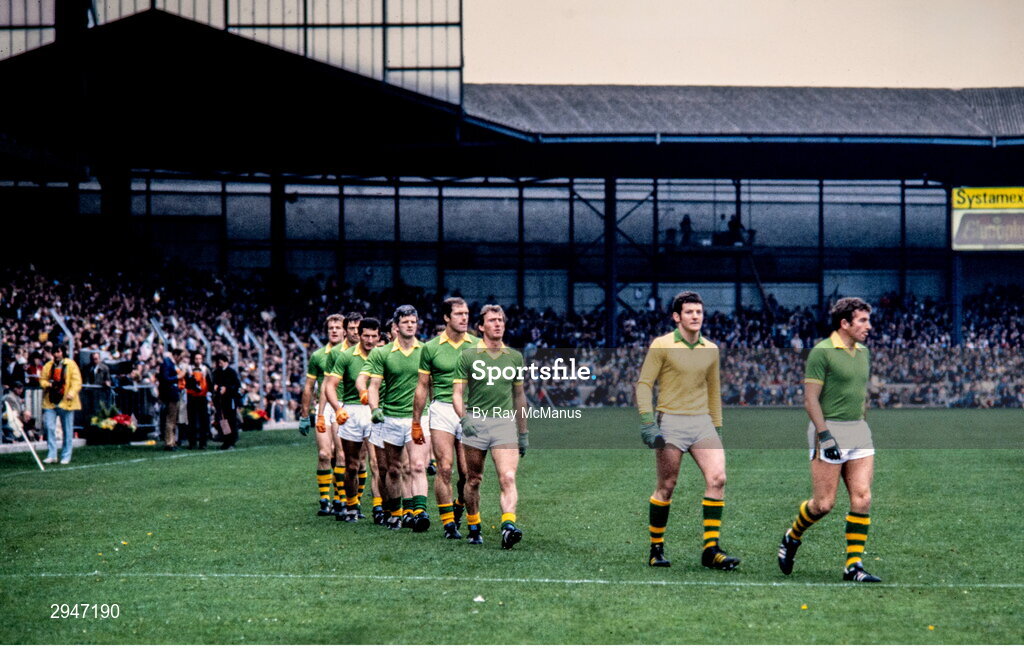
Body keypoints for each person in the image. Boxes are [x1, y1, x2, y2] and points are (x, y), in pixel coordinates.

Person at [777, 297, 881, 583]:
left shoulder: (863, 352)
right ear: (844, 323)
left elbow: (860, 393)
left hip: (858, 431)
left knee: (862, 498)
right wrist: (825, 436)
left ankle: (853, 566)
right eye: (862, 321)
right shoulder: (821, 352)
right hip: (828, 431)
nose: (868, 326)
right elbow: (810, 399)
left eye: (867, 320)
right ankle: (791, 537)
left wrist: (862, 422)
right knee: (823, 504)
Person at [635, 291, 740, 570]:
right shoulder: (662, 345)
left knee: (718, 478)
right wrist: (648, 422)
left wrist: (716, 427)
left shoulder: (711, 349)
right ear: (676, 317)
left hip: (702, 422)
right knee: (666, 487)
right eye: (690, 312)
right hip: (671, 422)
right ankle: (656, 549)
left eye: (699, 312)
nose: (696, 316)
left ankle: (711, 549)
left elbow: (714, 390)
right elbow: (644, 385)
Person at [452, 304, 528, 549]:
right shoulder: (469, 355)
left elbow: (519, 396)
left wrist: (523, 432)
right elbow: (457, 393)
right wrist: (465, 419)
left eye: (501, 320)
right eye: (492, 320)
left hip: (504, 424)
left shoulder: (515, 357)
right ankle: (474, 525)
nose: (498, 324)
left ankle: (508, 526)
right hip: (476, 422)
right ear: (481, 326)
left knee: (507, 476)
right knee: (473, 479)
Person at [361, 305, 430, 531]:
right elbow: (374, 386)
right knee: (393, 470)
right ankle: (396, 512)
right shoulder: (382, 353)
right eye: (405, 322)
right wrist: (374, 408)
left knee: (418, 466)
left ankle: (419, 513)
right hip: (390, 418)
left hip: (417, 418)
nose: (410, 325)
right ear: (396, 326)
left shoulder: (426, 351)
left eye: (413, 321)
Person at [414, 297, 477, 540]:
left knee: (467, 474)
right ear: (446, 317)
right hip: (441, 408)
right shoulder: (430, 348)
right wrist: (416, 421)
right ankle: (449, 525)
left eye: (467, 313)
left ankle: (459, 507)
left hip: (471, 409)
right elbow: (421, 387)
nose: (465, 317)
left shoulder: (479, 345)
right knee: (445, 468)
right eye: (459, 313)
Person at [324, 318, 380, 522]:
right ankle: (351, 505)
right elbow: (330, 385)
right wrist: (337, 408)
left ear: (379, 336)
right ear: (359, 334)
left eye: (374, 336)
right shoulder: (346, 356)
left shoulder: (383, 355)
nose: (369, 339)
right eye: (366, 335)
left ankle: (379, 507)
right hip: (352, 412)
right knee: (352, 464)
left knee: (376, 462)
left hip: (375, 411)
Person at [299, 314, 347, 517]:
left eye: (338, 327)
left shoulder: (352, 353)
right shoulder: (318, 356)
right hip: (324, 407)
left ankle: (341, 497)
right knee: (324, 454)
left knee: (341, 454)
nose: (334, 330)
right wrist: (304, 415)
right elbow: (309, 387)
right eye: (331, 328)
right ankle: (324, 499)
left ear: (345, 330)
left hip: (346, 406)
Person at [39, 344, 83, 464]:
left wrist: (72, 393)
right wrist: (47, 384)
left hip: (66, 402)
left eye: (58, 352)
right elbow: (42, 380)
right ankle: (52, 454)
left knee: (67, 430)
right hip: (51, 401)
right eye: (54, 352)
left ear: (62, 352)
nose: (56, 354)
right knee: (49, 427)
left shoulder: (71, 364)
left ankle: (66, 455)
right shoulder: (48, 366)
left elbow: (77, 381)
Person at [157, 348, 186, 451]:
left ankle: (172, 442)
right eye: (181, 357)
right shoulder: (167, 363)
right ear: (176, 355)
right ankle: (169, 443)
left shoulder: (170, 363)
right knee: (170, 419)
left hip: (173, 393)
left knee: (173, 420)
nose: (181, 359)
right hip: (170, 394)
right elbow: (165, 378)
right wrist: (178, 376)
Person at [211, 353, 240, 450]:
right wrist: (215, 387)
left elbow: (236, 386)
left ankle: (231, 440)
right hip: (220, 400)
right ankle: (226, 440)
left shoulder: (231, 372)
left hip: (230, 399)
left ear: (226, 362)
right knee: (223, 420)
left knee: (231, 419)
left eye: (220, 362)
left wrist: (227, 389)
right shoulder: (217, 372)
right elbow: (214, 384)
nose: (219, 364)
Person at [184, 351, 213, 450]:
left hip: (202, 397)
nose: (198, 360)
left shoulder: (205, 369)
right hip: (191, 396)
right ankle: (192, 442)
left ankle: (203, 442)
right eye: (196, 358)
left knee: (203, 420)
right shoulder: (189, 369)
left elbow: (210, 382)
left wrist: (209, 393)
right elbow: (186, 382)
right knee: (191, 420)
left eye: (200, 358)